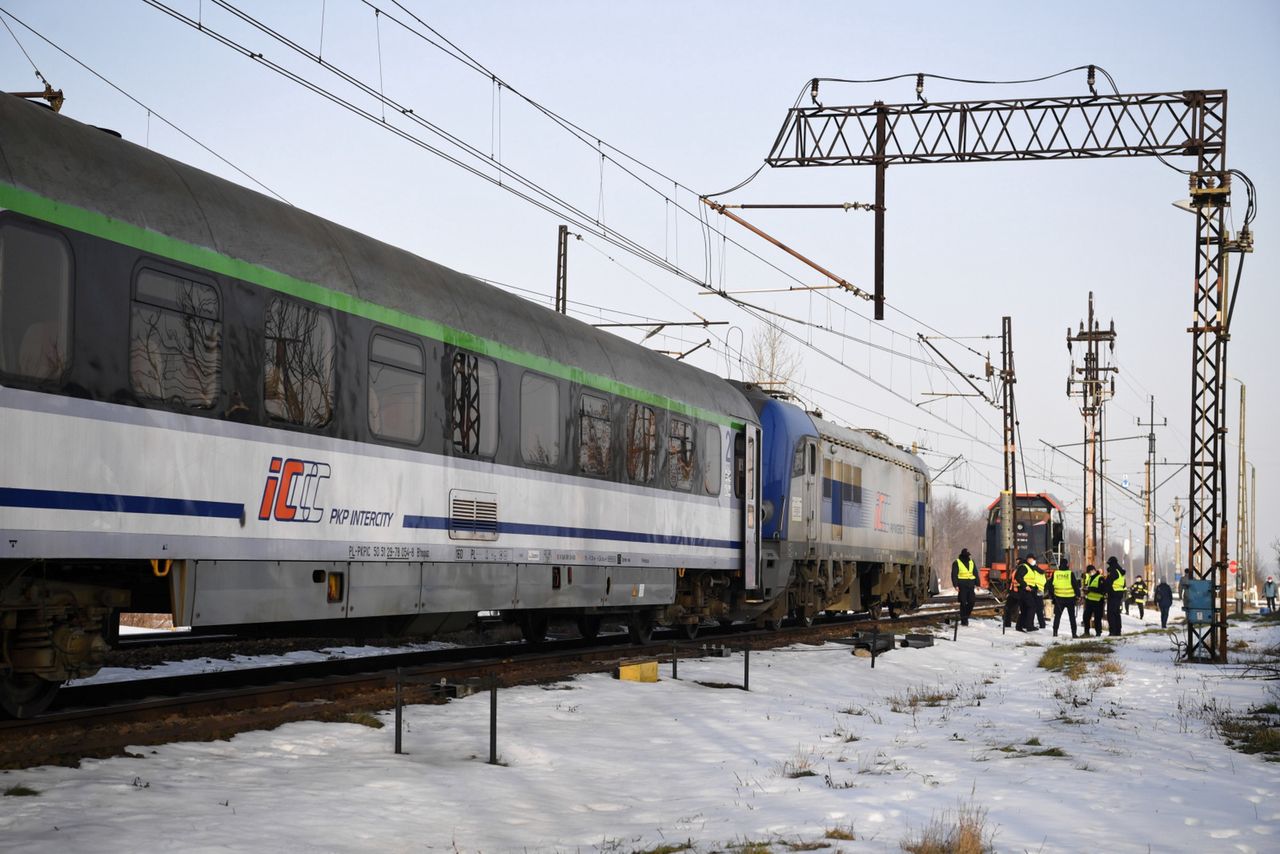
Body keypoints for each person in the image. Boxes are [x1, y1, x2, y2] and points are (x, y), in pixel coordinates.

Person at [1051, 558, 1079, 638]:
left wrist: (1053, 596)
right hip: (1070, 598)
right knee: (1072, 617)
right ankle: (1074, 633)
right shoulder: (1070, 573)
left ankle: (1055, 632)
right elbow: (1075, 585)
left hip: (1059, 599)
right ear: (1067, 565)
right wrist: (1078, 595)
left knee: (1057, 616)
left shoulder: (1056, 573)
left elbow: (1050, 585)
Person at [951, 548, 978, 626]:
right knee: (963, 602)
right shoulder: (957, 562)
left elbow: (975, 573)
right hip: (962, 585)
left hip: (971, 585)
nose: (968, 556)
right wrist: (955, 585)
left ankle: (965, 616)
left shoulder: (971, 562)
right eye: (967, 555)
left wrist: (978, 583)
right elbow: (954, 574)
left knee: (972, 602)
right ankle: (964, 620)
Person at [1015, 555, 1039, 632]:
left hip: (1028, 590)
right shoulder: (1024, 567)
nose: (1034, 561)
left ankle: (1020, 626)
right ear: (1029, 560)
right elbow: (1018, 577)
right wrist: (1025, 586)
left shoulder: (1029, 567)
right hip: (1024, 591)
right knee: (1032, 607)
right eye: (1033, 559)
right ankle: (1029, 626)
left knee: (1025, 609)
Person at [1105, 556, 1126, 636]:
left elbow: (1108, 583)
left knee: (1111, 614)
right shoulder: (1120, 572)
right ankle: (1118, 631)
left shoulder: (1113, 571)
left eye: (1109, 564)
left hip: (1113, 594)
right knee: (1117, 613)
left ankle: (1112, 631)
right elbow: (1123, 584)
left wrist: (1105, 591)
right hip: (1119, 594)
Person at [1082, 565, 1105, 636]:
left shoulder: (1100, 578)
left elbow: (1102, 590)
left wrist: (1090, 589)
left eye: (1090, 572)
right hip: (1089, 601)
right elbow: (1089, 588)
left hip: (1098, 601)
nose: (1089, 573)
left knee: (1097, 618)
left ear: (1093, 570)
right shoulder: (1090, 578)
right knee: (1086, 617)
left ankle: (1098, 632)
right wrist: (1085, 590)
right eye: (1088, 572)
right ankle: (1086, 632)